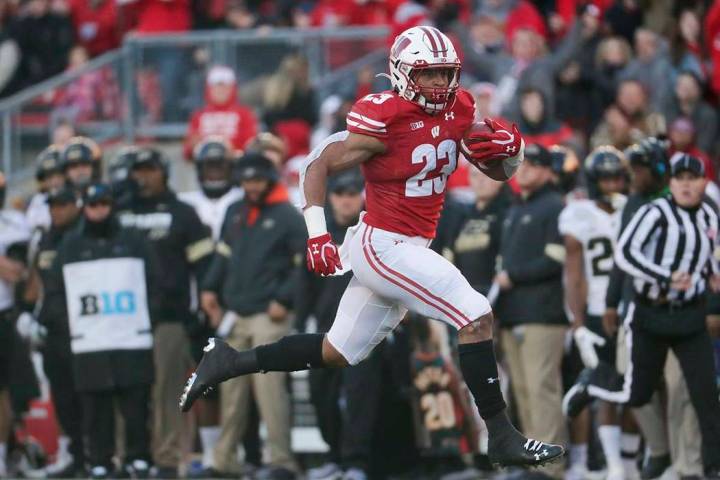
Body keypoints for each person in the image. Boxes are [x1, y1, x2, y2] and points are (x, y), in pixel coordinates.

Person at [182, 25, 564, 469]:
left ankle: (228, 362)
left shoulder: (460, 106)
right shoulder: (385, 116)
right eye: (430, 75)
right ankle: (500, 435)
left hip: (407, 245)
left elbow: (495, 171)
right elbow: (318, 165)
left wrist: (512, 155)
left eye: (446, 73)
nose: (440, 84)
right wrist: (318, 233)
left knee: (338, 350)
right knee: (475, 314)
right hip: (383, 245)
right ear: (403, 74)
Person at [563, 153, 720, 479]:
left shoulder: (709, 214)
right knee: (639, 393)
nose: (688, 185)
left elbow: (704, 255)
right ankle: (593, 384)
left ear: (704, 182)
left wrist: (712, 274)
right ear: (672, 183)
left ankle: (706, 465)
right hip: (650, 315)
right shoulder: (654, 212)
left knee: (703, 393)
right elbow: (625, 254)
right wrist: (664, 276)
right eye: (681, 179)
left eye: (694, 178)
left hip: (690, 318)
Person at [199, 153, 304, 478]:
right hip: (236, 313)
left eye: (257, 180)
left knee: (270, 391)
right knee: (231, 392)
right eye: (246, 180)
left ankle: (281, 461)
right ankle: (224, 459)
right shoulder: (235, 211)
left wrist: (284, 300)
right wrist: (209, 289)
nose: (252, 186)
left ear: (269, 179)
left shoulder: (287, 215)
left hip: (267, 316)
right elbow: (223, 253)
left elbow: (305, 263)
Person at [45, 183, 157, 479]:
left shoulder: (134, 241)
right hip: (90, 341)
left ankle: (138, 458)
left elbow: (155, 284)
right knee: (95, 408)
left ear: (112, 205)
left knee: (136, 406)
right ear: (85, 207)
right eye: (93, 205)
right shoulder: (70, 246)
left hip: (130, 339)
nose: (99, 210)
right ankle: (100, 461)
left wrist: (149, 320)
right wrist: (70, 323)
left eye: (104, 204)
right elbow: (54, 292)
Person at [116, 147, 213, 478]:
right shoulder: (118, 211)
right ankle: (124, 456)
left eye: (149, 169)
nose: (142, 176)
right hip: (121, 317)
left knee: (166, 390)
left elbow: (205, 266)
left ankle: (168, 459)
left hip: (167, 316)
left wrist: (203, 305)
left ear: (164, 171)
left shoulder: (182, 213)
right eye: (137, 170)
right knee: (124, 388)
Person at [493, 143, 568, 480]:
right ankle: (534, 463)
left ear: (548, 171)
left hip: (543, 313)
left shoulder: (555, 206)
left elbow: (556, 259)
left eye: (533, 165)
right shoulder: (514, 207)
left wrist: (513, 276)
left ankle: (552, 467)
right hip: (513, 314)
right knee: (522, 393)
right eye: (522, 165)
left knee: (542, 390)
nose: (524, 171)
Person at [559, 147, 627, 480]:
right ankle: (615, 466)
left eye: (617, 177)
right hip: (600, 310)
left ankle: (629, 462)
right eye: (606, 178)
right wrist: (578, 322)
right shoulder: (580, 213)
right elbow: (575, 273)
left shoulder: (634, 209)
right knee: (607, 389)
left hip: (632, 310)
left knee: (635, 389)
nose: (612, 184)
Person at [177, 137, 242, 473]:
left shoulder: (243, 200)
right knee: (201, 381)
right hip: (198, 300)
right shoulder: (185, 205)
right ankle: (210, 452)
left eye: (221, 165)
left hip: (238, 300)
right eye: (209, 166)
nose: (215, 172)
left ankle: (243, 452)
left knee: (243, 380)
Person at [294, 170, 364, 480]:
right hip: (325, 328)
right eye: (339, 193)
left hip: (364, 327)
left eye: (352, 193)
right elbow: (304, 284)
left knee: (361, 397)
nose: (346, 199)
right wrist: (299, 322)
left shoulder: (371, 230)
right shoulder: (318, 236)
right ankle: (334, 455)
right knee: (320, 393)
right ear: (331, 197)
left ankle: (357, 462)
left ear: (362, 195)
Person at [23, 185, 84, 477]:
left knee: (87, 394)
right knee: (62, 395)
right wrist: (28, 314)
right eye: (52, 206)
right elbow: (35, 281)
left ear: (76, 204)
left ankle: (94, 454)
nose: (56, 211)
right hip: (53, 329)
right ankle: (71, 453)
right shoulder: (45, 238)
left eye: (62, 205)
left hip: (84, 328)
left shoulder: (85, 233)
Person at [0, 171, 32, 478]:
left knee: (6, 391)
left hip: (4, 313)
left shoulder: (13, 223)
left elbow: (16, 272)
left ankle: (4, 455)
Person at [183, 65, 258, 160]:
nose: (220, 91)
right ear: (209, 89)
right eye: (217, 86)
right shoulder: (198, 115)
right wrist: (193, 146)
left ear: (233, 89)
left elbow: (251, 146)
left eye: (225, 87)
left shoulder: (244, 114)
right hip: (205, 165)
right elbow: (187, 151)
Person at [26, 145, 66, 232]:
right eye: (50, 177)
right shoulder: (38, 200)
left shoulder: (75, 195)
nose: (55, 182)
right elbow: (33, 225)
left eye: (58, 175)